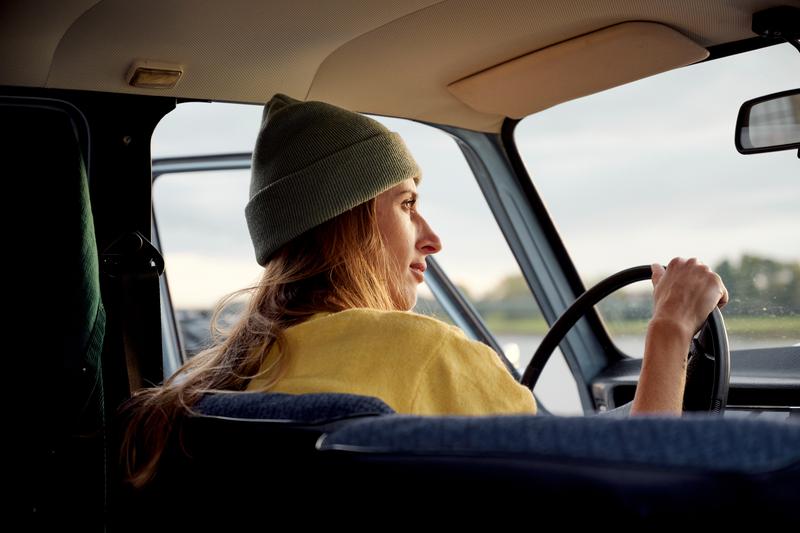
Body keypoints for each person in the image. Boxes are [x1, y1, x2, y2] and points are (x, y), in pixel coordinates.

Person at [119, 93, 728, 488]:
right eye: (408, 204)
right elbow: (628, 476)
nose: (431, 238)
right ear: (348, 220)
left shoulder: (224, 378)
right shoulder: (425, 353)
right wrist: (671, 330)